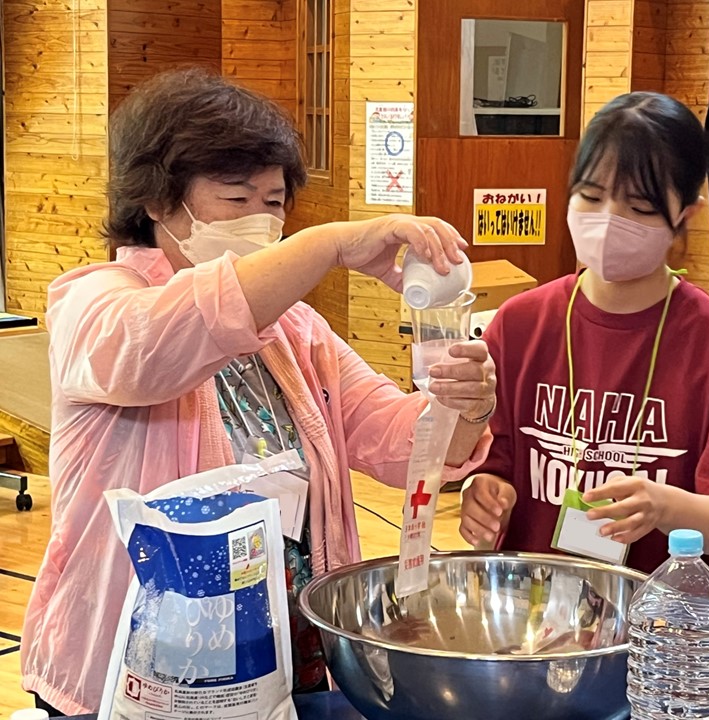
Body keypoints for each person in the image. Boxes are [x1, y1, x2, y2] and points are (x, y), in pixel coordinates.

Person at [20, 68, 496, 716]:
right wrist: (329, 244)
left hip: (276, 666)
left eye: (273, 202)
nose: (260, 220)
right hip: (134, 672)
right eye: (236, 197)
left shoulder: (297, 331)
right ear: (158, 202)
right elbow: (158, 345)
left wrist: (465, 406)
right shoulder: (94, 302)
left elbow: (401, 441)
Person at [457, 92, 709, 576]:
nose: (609, 220)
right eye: (591, 196)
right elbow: (489, 462)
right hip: (529, 602)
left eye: (640, 206)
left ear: (685, 214)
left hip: (655, 608)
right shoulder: (519, 324)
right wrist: (482, 491)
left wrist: (665, 506)